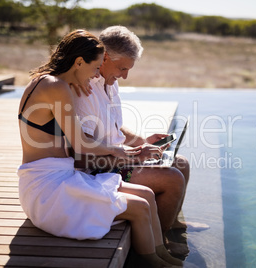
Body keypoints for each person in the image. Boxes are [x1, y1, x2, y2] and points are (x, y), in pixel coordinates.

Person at [17, 29, 182, 267]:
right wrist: (123, 152)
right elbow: (80, 144)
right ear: (79, 62)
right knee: (139, 205)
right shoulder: (56, 87)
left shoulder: (50, 83)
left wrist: (76, 80)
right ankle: (151, 262)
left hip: (61, 175)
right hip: (47, 189)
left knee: (145, 195)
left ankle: (159, 254)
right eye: (95, 68)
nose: (96, 75)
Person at [70, 26, 193, 251]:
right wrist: (132, 159)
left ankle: (173, 223)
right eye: (122, 68)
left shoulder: (110, 81)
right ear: (104, 57)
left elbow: (114, 126)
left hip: (117, 157)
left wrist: (142, 141)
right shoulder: (84, 89)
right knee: (171, 179)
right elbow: (82, 153)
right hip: (100, 169)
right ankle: (160, 243)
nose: (124, 76)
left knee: (181, 163)